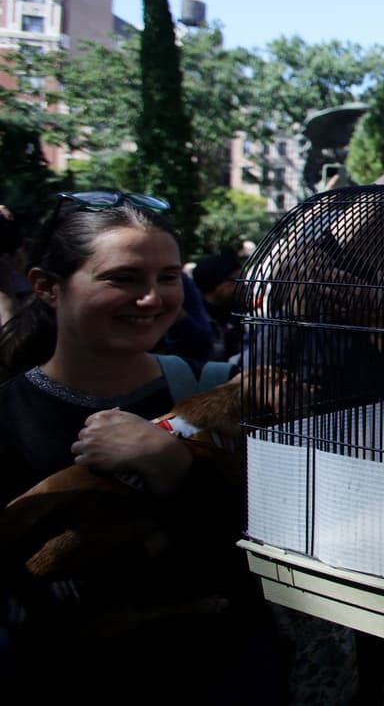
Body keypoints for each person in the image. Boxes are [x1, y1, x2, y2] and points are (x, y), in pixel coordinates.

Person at [0, 189, 284, 703]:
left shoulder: (215, 391)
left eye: (168, 278)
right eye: (122, 279)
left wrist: (171, 464)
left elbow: (268, 556)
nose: (153, 299)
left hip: (222, 677)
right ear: (46, 287)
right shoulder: (10, 416)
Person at [192, 251, 245, 363]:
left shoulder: (241, 313)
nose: (244, 285)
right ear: (216, 283)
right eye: (237, 280)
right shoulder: (193, 320)